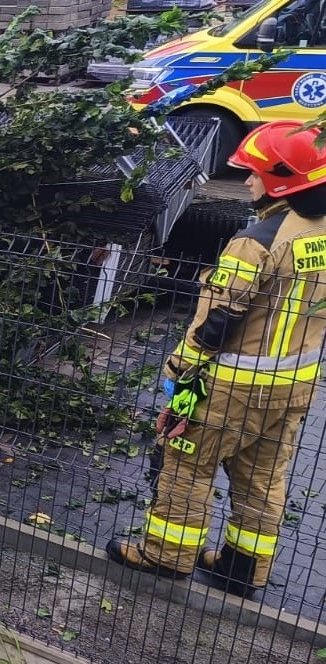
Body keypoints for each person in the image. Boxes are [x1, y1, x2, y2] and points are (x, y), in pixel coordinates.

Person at [108, 120, 326, 599]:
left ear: (283, 178)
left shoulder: (257, 240)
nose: (247, 181)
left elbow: (217, 320)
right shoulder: (320, 234)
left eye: (255, 173)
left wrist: (177, 371)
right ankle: (243, 568)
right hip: (297, 383)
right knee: (264, 476)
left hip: (232, 384)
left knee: (188, 466)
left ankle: (166, 556)